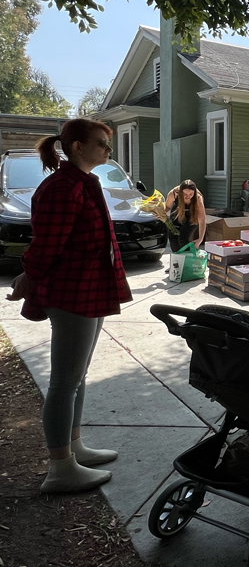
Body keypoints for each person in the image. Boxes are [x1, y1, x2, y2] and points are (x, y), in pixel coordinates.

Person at [6, 118, 132, 493]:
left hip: (90, 290)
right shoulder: (62, 187)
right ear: (76, 146)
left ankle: (74, 447)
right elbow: (46, 245)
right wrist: (28, 276)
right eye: (101, 144)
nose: (108, 152)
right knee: (64, 384)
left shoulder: (79, 182)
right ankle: (60, 467)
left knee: (77, 378)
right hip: (72, 293)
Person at [164, 180, 206, 252]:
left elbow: (202, 220)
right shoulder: (173, 193)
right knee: (173, 239)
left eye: (191, 194)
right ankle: (178, 260)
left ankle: (189, 259)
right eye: (185, 194)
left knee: (182, 239)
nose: (188, 197)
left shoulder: (198, 198)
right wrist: (159, 212)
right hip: (177, 214)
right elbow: (167, 207)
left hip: (192, 216)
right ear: (180, 192)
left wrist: (200, 239)